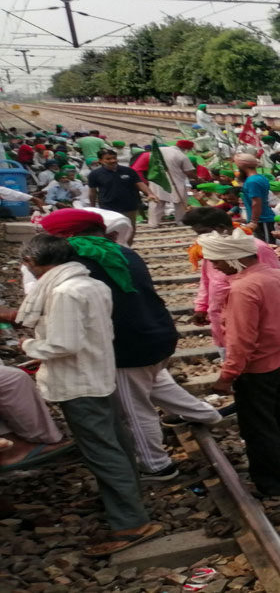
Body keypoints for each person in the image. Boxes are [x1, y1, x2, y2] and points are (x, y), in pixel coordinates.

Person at [38, 209, 220, 480]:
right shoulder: (123, 251)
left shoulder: (78, 261)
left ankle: (157, 465)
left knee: (134, 409)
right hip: (157, 334)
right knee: (156, 382)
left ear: (68, 235)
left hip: (127, 345)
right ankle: (207, 415)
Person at [15, 234, 161, 556]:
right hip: (98, 373)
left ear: (33, 262)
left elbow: (63, 345)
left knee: (101, 450)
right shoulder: (92, 283)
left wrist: (26, 346)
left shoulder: (65, 292)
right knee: (115, 442)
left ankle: (131, 522)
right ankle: (126, 498)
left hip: (78, 382)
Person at [199, 230, 280, 497]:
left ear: (234, 259)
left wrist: (228, 375)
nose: (215, 266)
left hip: (260, 367)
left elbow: (241, 339)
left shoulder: (244, 288)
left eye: (217, 260)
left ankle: (279, 484)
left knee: (259, 427)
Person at [182, 207, 280, 349]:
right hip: (219, 313)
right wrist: (202, 307)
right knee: (228, 350)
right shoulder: (209, 247)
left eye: (203, 232)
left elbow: (274, 282)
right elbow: (207, 279)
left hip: (250, 314)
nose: (201, 238)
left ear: (221, 228)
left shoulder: (256, 248)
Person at [88, 148, 158, 244]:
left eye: (114, 158)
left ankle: (127, 247)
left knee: (130, 228)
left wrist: (150, 193)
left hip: (129, 205)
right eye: (108, 159)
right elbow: (93, 191)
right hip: (108, 206)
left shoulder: (128, 171)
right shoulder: (95, 174)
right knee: (111, 229)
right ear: (101, 161)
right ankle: (115, 248)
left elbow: (139, 183)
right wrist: (92, 207)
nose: (112, 161)